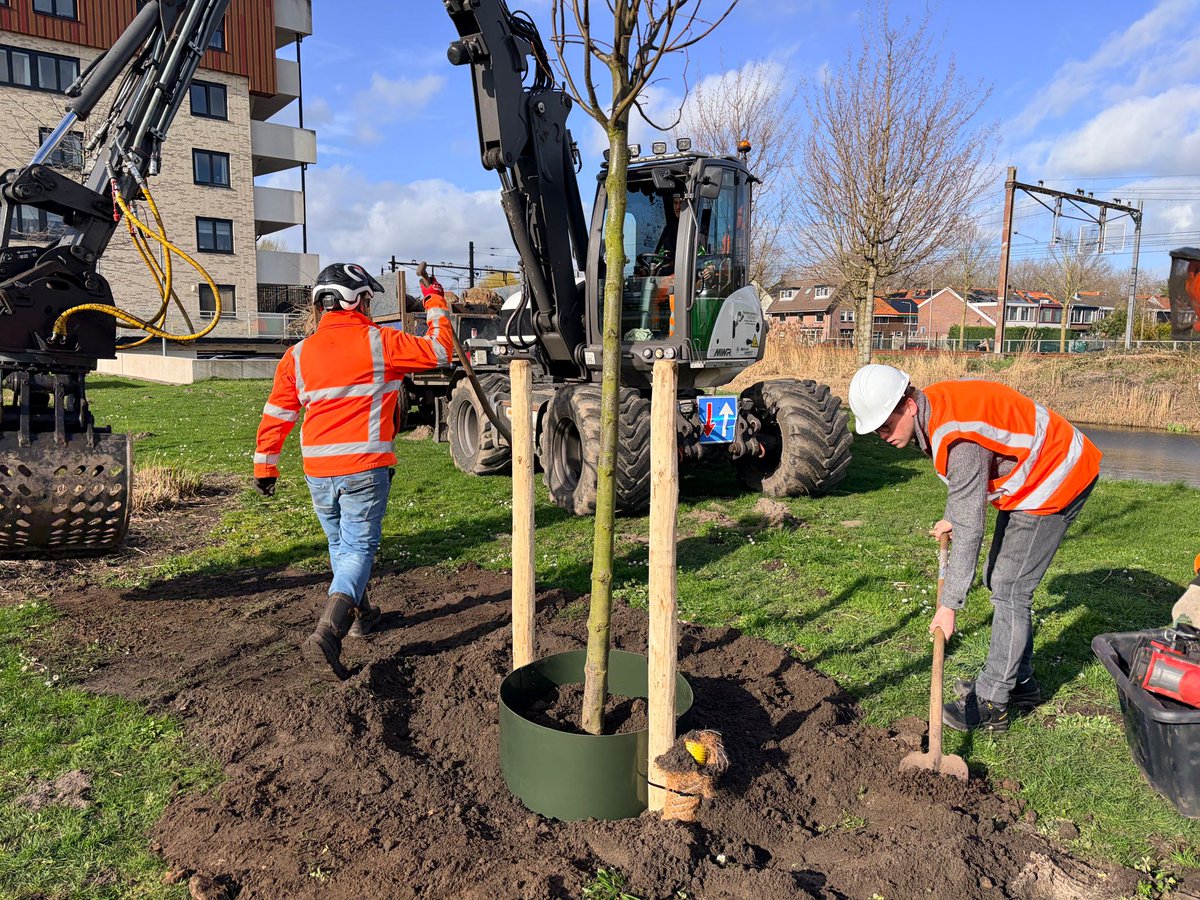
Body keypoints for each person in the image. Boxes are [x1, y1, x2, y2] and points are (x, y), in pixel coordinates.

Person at [848, 364, 1102, 732]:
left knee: (1011, 588)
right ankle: (1020, 683)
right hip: (1035, 473)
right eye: (877, 431)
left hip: (1057, 474)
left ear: (909, 405)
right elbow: (967, 488)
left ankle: (993, 702)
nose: (884, 436)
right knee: (996, 578)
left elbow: (971, 528)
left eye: (886, 425)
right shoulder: (935, 409)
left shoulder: (959, 440)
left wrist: (948, 606)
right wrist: (954, 514)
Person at [253, 263, 454, 680]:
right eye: (367, 298)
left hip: (318, 470)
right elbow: (440, 351)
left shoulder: (299, 354)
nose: (368, 305)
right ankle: (329, 630)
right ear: (356, 299)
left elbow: (278, 413)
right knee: (359, 548)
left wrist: (266, 465)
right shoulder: (380, 342)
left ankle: (361, 616)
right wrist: (434, 298)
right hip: (364, 467)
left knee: (340, 545)